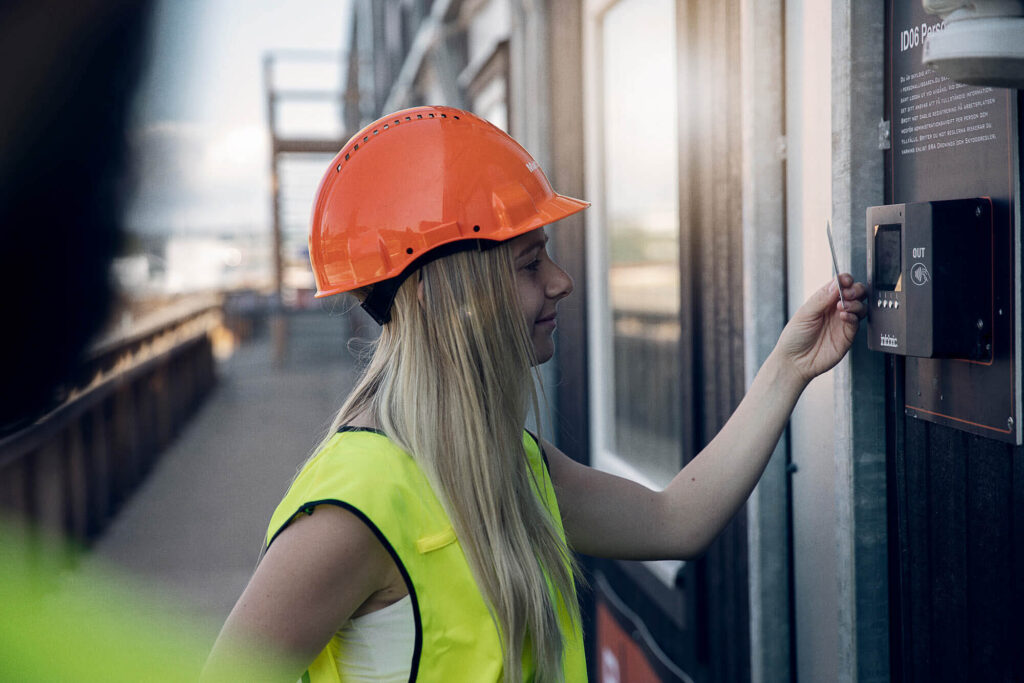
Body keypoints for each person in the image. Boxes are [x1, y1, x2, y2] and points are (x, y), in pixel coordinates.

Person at [204, 105, 867, 682]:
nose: (561, 280)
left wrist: (789, 366)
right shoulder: (353, 509)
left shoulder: (507, 462)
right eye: (529, 263)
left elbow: (674, 520)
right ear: (450, 298)